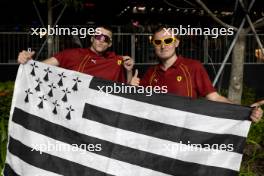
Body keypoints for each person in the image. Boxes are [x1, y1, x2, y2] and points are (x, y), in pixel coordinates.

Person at [130, 26, 263, 122]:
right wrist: (131, 86)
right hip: (157, 134)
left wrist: (245, 110)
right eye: (158, 42)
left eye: (168, 41)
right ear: (153, 45)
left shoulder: (193, 67)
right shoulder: (150, 73)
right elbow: (139, 105)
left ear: (176, 43)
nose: (163, 46)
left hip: (185, 132)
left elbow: (215, 98)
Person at [18, 26, 134, 83]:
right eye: (98, 36)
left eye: (106, 39)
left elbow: (126, 84)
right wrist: (28, 62)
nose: (101, 40)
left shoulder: (116, 60)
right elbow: (41, 67)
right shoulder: (71, 54)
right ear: (92, 38)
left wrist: (129, 70)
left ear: (109, 44)